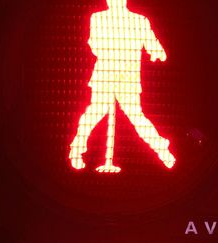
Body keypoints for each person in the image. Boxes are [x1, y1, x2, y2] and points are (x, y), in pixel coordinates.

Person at [69, 0, 176, 172]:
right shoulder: (97, 18)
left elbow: (154, 46)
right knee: (94, 113)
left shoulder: (140, 21)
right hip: (105, 76)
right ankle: (76, 149)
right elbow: (94, 45)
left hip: (128, 80)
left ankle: (163, 151)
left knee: (136, 118)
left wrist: (157, 53)